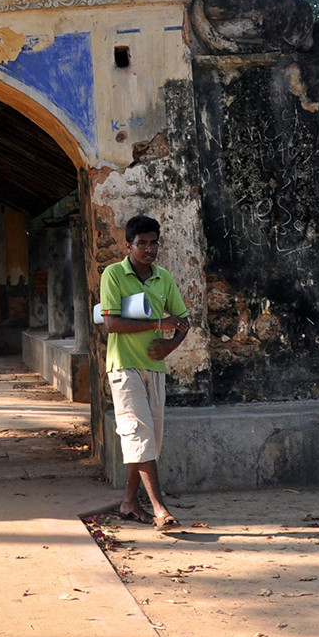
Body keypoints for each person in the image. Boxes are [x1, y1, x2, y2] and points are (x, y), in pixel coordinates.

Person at [99, 215, 190, 530]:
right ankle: (159, 508)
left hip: (155, 365)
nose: (148, 249)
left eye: (153, 243)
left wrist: (170, 346)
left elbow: (183, 319)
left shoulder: (163, 278)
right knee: (138, 433)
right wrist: (157, 324)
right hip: (124, 366)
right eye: (142, 244)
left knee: (149, 439)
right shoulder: (113, 274)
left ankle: (128, 501)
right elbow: (111, 324)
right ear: (129, 245)